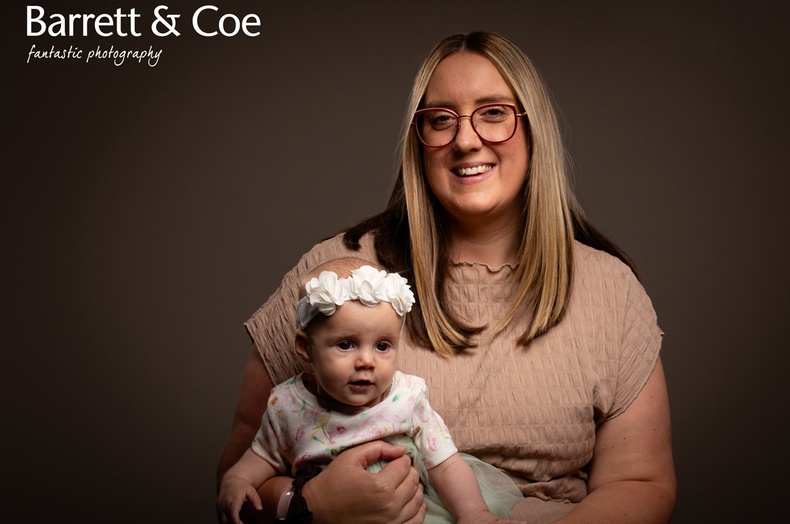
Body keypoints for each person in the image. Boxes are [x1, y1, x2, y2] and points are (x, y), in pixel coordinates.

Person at [217, 30, 676, 523]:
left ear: (533, 126)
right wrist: (308, 506)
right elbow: (240, 479)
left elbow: (641, 483)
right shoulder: (335, 274)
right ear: (420, 141)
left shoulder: (611, 290)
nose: (465, 140)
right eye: (440, 120)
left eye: (494, 113)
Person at [217, 258, 523, 524]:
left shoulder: (406, 397)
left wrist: (474, 513)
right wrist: (237, 479)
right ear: (305, 348)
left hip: (411, 510)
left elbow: (445, 463)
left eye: (382, 345)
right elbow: (261, 457)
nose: (367, 361)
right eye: (346, 344)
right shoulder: (287, 405)